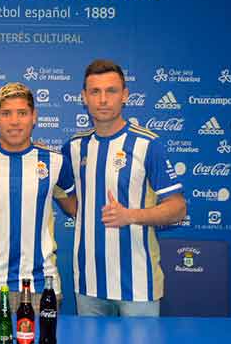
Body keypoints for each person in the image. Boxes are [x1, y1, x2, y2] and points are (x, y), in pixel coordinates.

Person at [62, 59, 186, 317]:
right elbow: (59, 188)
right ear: (84, 97)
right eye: (95, 92)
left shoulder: (148, 144)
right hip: (89, 284)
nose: (103, 99)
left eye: (111, 91)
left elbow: (178, 208)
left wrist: (130, 215)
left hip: (138, 286)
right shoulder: (74, 147)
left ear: (125, 95)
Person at [0, 82, 76, 313]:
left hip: (42, 285)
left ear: (34, 117)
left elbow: (75, 208)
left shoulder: (56, 162)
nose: (14, 121)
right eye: (6, 114)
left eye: (22, 113)